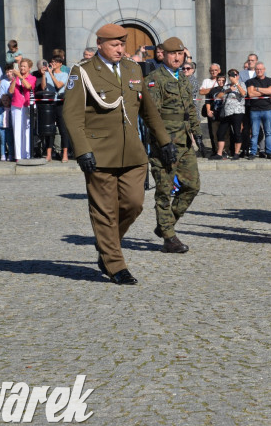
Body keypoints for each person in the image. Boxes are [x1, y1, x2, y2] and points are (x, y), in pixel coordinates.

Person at [63, 23, 175, 285]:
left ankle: (106, 243)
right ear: (100, 44)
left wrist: (164, 141)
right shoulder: (83, 72)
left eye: (122, 44)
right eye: (114, 44)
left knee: (134, 204)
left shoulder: (132, 69)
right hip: (99, 153)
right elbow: (72, 114)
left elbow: (148, 110)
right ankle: (115, 264)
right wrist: (82, 150)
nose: (120, 49)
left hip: (133, 153)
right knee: (104, 211)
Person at [145, 37, 202, 253]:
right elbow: (152, 116)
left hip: (185, 142)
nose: (177, 57)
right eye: (173, 54)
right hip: (165, 144)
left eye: (180, 54)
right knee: (164, 189)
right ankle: (169, 238)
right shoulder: (154, 79)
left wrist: (198, 135)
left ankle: (165, 224)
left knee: (192, 186)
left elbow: (190, 111)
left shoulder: (184, 79)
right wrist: (163, 142)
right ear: (163, 55)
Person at [39, 55, 70, 162]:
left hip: (60, 103)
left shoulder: (64, 74)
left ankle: (64, 153)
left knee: (63, 129)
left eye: (56, 62)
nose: (54, 64)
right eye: (52, 61)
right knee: (50, 129)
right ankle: (49, 154)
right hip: (49, 103)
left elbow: (58, 85)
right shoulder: (47, 74)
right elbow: (43, 87)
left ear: (61, 64)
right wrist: (44, 75)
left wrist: (51, 74)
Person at [246, 61, 271, 159]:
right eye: (257, 69)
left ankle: (269, 152)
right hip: (254, 110)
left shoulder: (269, 80)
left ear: (264, 70)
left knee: (268, 132)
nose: (259, 71)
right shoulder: (251, 81)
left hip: (266, 110)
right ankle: (253, 152)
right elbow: (250, 94)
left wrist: (257, 89)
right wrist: (264, 92)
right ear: (255, 70)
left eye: (261, 69)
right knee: (254, 133)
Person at [7, 58, 36, 160]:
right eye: (21, 66)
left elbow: (28, 86)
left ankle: (27, 154)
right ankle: (18, 155)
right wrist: (15, 79)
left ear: (29, 68)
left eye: (24, 66)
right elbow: (10, 91)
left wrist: (20, 77)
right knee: (17, 130)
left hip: (27, 105)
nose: (22, 68)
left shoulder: (32, 78)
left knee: (27, 130)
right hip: (16, 105)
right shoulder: (16, 78)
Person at [214, 70, 247, 159]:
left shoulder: (242, 84)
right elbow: (218, 96)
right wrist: (227, 90)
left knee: (237, 132)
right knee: (220, 132)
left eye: (234, 75)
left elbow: (243, 93)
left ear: (238, 76)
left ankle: (236, 153)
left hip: (237, 111)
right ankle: (219, 153)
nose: (232, 76)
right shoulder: (226, 86)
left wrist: (236, 83)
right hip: (227, 112)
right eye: (230, 75)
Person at [200, 63, 222, 153]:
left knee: (223, 130)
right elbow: (201, 91)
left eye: (215, 70)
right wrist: (214, 90)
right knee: (212, 130)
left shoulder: (222, 80)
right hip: (210, 106)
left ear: (219, 71)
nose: (213, 72)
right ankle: (214, 149)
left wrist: (209, 90)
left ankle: (224, 149)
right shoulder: (206, 81)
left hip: (221, 107)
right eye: (212, 70)